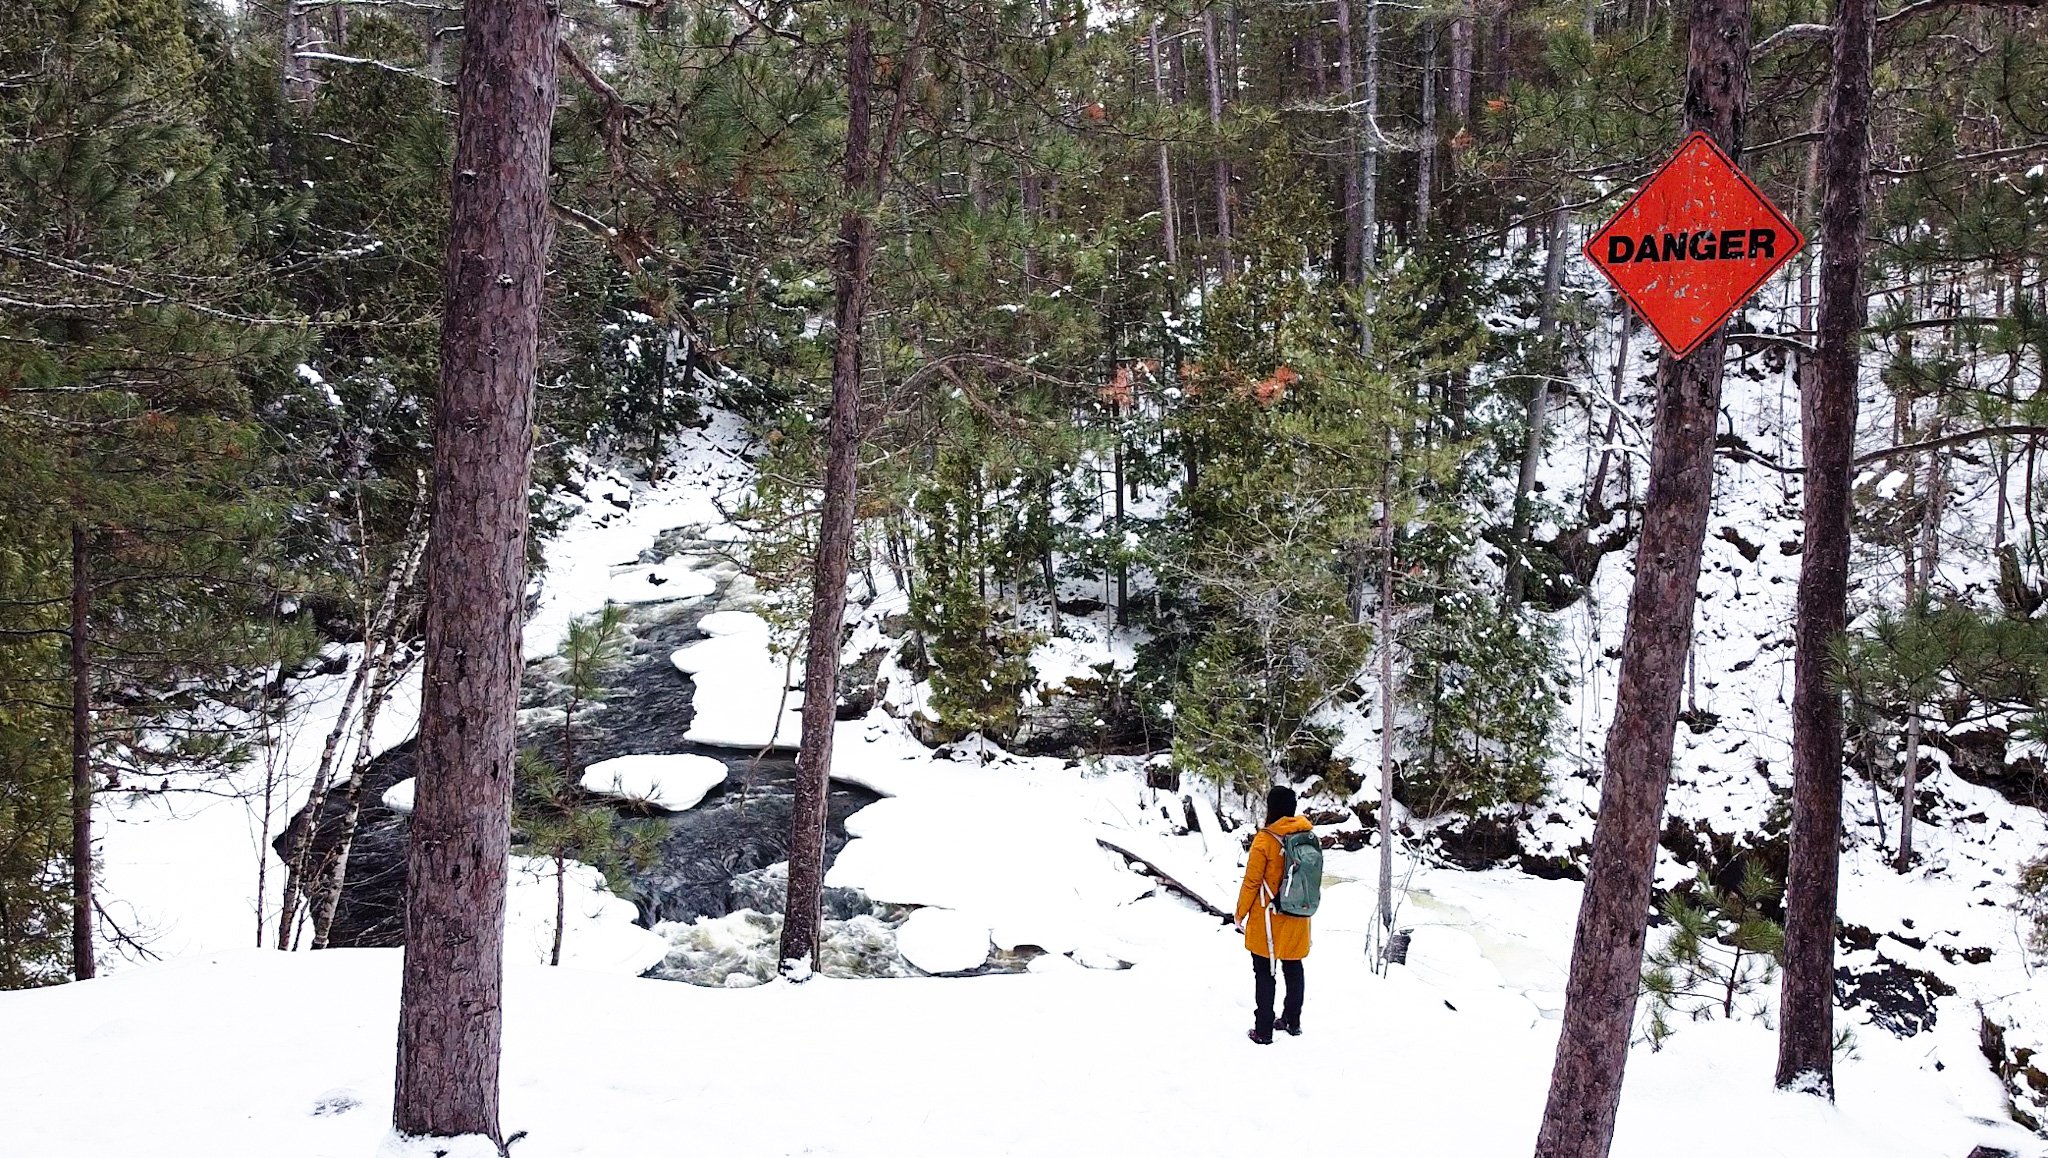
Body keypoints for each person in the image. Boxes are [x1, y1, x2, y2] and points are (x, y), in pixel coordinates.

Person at [1235, 784, 1312, 1045]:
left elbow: (1251, 882)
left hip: (1268, 917)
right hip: (1298, 913)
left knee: (1264, 972)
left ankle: (1263, 1030)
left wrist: (1239, 913)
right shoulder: (1306, 835)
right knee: (1293, 966)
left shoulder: (1266, 840)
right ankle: (1292, 1021)